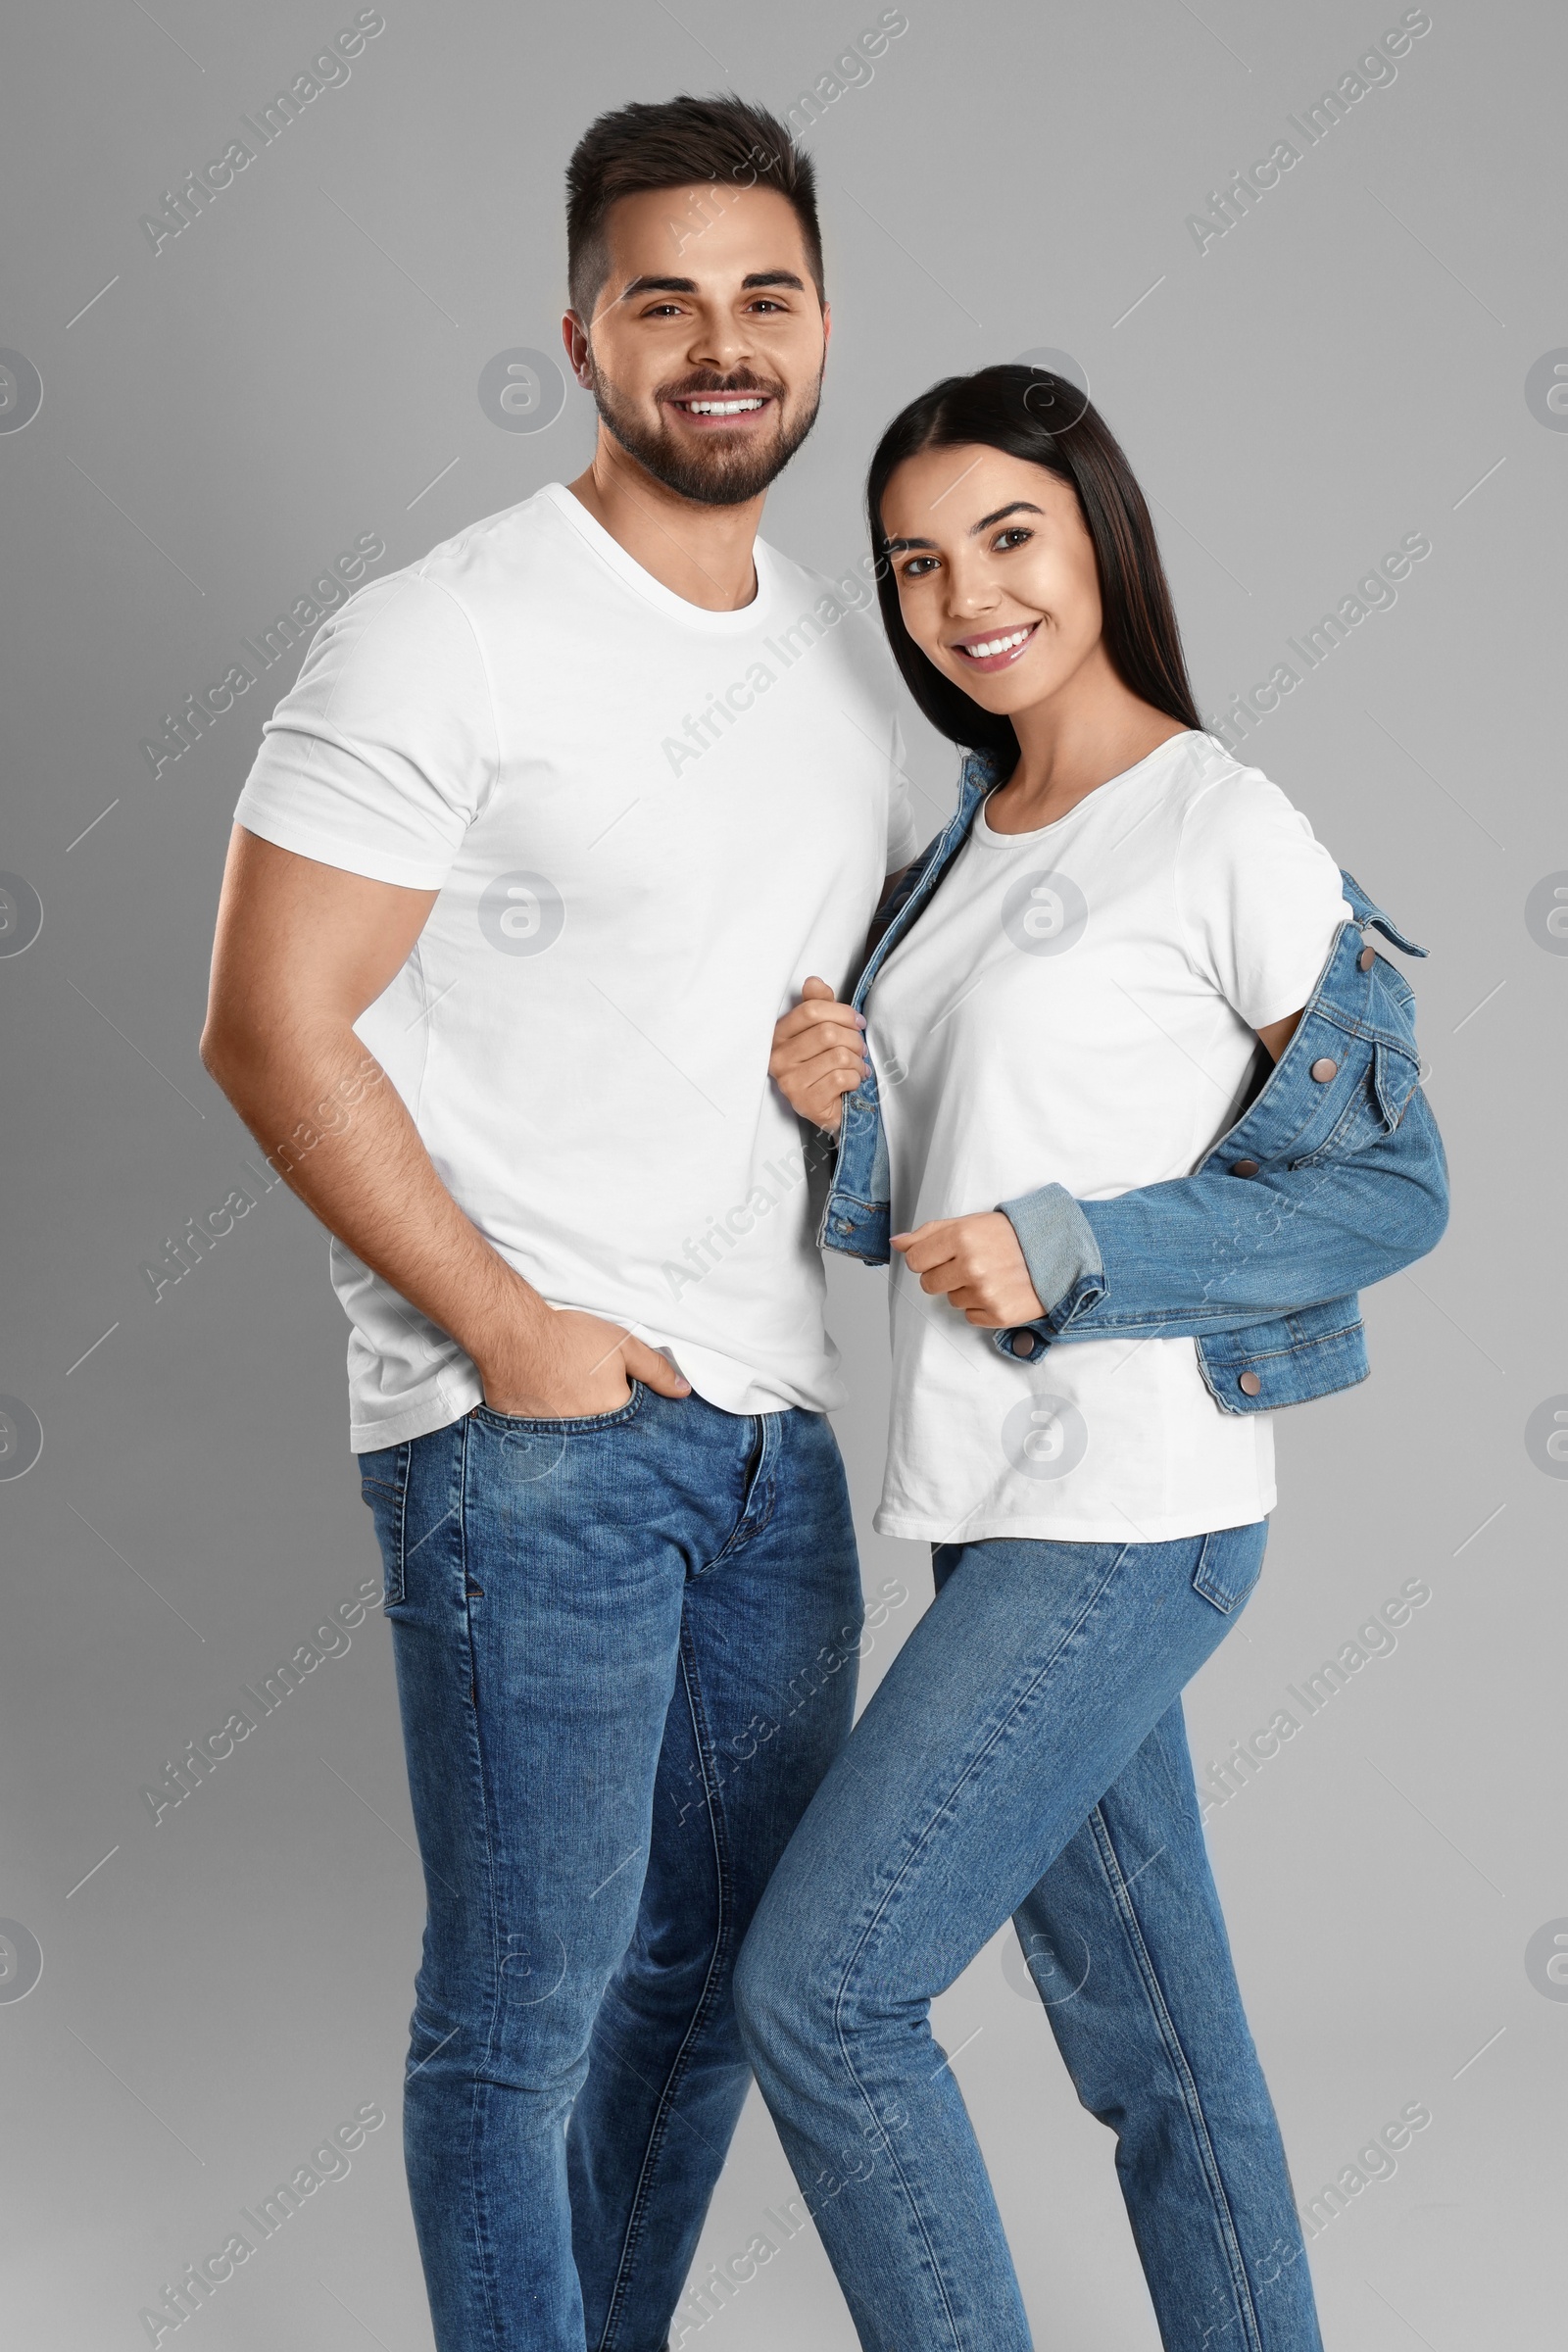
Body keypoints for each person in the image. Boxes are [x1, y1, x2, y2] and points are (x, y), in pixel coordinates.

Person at [200, 95, 920, 2352]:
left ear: (819, 323)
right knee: (519, 2016)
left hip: (766, 1437)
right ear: (580, 332)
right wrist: (501, 1327)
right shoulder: (447, 633)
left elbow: (805, 1033)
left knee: (712, 1999)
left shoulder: (830, 657)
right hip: (527, 1431)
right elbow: (263, 1018)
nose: (722, 344)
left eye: (764, 297)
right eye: (665, 300)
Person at [739, 366, 1448, 2352]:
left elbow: (1391, 1186)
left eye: (1005, 534)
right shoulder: (955, 855)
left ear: (1095, 535)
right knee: (1157, 2051)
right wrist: (841, 1115)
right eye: (911, 563)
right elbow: (945, 1194)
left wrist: (1078, 1252)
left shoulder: (1223, 824)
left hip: (1128, 1520)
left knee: (823, 1995)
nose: (963, 594)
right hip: (989, 1512)